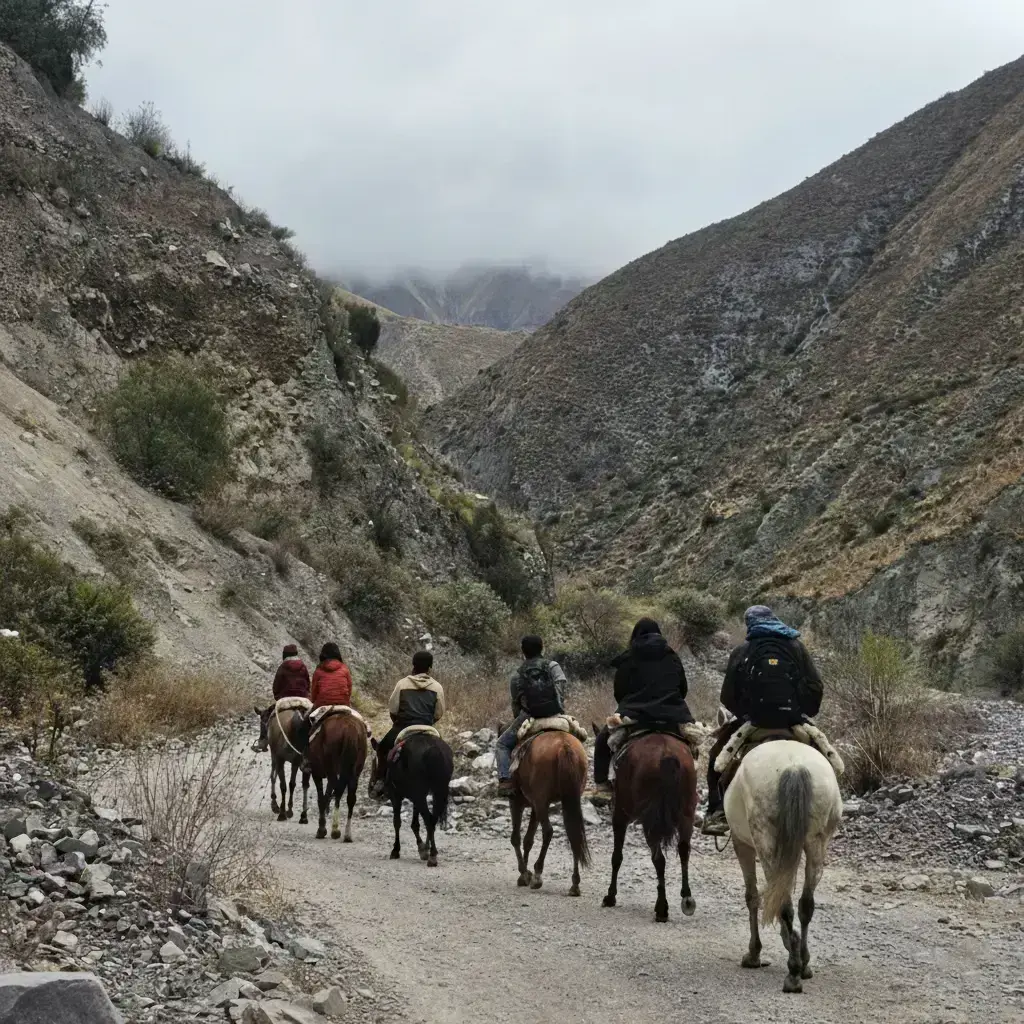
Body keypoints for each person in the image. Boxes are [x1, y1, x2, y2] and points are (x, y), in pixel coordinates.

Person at [701, 605, 823, 836]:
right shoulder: (797, 646)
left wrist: (746, 714)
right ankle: (828, 813)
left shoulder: (742, 650)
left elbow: (727, 696)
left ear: (749, 624)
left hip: (755, 721)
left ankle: (717, 813)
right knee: (825, 755)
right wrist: (803, 712)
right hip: (791, 719)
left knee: (715, 759)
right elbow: (815, 685)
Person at [591, 618, 694, 798]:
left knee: (602, 741)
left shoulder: (628, 657)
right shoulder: (672, 656)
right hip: (672, 714)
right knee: (694, 743)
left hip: (635, 715)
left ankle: (602, 786)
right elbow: (682, 688)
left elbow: (620, 692)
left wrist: (629, 705)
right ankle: (693, 787)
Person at [496, 636, 568, 796]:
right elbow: (561, 688)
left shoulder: (517, 674)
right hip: (555, 713)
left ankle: (505, 782)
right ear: (543, 648)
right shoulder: (553, 666)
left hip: (529, 716)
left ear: (523, 652)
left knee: (501, 745)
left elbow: (516, 702)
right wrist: (559, 708)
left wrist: (520, 719)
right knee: (578, 738)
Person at [370, 651, 446, 796]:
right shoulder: (437, 687)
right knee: (442, 752)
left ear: (413, 666)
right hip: (427, 728)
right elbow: (439, 713)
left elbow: (393, 708)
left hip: (403, 726)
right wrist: (429, 722)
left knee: (383, 748)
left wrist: (397, 723)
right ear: (430, 668)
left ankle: (380, 779)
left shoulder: (402, 683)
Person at [294, 642, 353, 758]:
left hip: (322, 706)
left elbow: (314, 693)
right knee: (361, 723)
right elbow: (349, 689)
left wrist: (315, 701)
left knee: (303, 727)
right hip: (343, 704)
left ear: (323, 655)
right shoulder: (345, 669)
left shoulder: (319, 670)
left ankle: (305, 758)